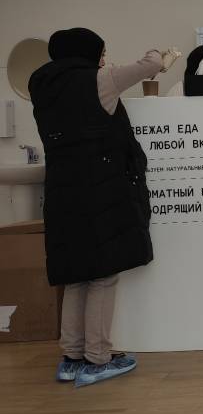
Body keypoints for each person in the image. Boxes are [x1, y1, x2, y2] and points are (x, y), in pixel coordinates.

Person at [28, 28, 179, 388]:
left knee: (75, 274)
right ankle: (97, 359)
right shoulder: (99, 80)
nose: (105, 59)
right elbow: (151, 64)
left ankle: (71, 359)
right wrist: (160, 56)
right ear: (87, 52)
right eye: (102, 52)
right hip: (99, 190)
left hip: (62, 191)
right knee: (102, 274)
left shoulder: (41, 84)